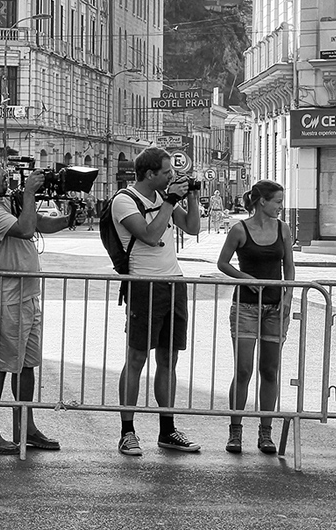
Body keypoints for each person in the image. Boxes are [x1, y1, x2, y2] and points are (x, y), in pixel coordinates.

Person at [0, 153, 74, 455]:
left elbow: (38, 223)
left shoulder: (3, 202)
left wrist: (67, 218)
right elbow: (26, 230)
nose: (4, 173)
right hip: (2, 299)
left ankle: (24, 427)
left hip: (25, 295)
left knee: (26, 367)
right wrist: (29, 193)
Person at [112, 147, 201, 456]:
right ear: (149, 174)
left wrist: (189, 195)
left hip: (173, 282)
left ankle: (167, 429)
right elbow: (150, 235)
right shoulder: (124, 201)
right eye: (166, 173)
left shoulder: (162, 198)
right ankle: (127, 431)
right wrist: (171, 199)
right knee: (137, 358)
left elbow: (191, 228)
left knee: (169, 359)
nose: (170, 178)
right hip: (144, 284)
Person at [217, 180, 295, 455]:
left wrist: (287, 298)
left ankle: (265, 434)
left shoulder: (282, 228)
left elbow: (289, 266)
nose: (280, 207)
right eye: (277, 202)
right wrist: (244, 277)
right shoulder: (240, 229)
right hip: (246, 308)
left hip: (275, 308)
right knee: (243, 370)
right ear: (262, 201)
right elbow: (222, 263)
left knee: (270, 370)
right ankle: (235, 432)